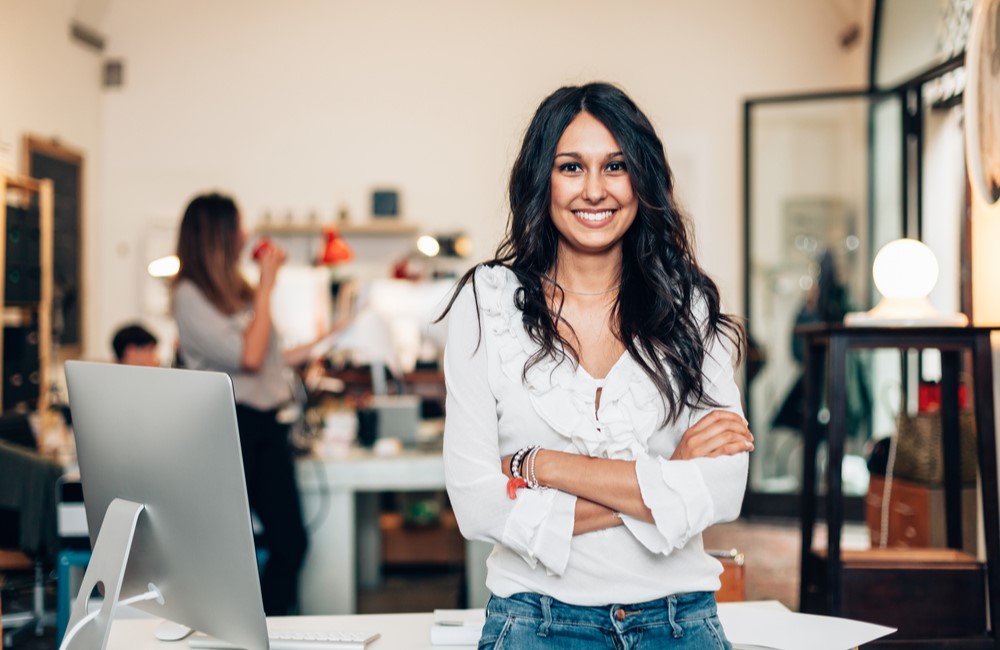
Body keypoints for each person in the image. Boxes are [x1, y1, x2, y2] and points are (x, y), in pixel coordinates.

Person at [440, 83, 753, 649]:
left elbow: (725, 488)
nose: (594, 190)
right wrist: (666, 476)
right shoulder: (486, 303)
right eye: (570, 167)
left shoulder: (689, 304)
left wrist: (545, 465)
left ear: (642, 179)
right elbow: (477, 504)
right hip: (535, 623)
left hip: (679, 623)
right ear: (543, 179)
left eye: (615, 166)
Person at [170, 192, 339, 615]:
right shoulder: (189, 296)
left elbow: (269, 357)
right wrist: (266, 287)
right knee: (229, 551)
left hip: (265, 426)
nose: (245, 235)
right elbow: (248, 356)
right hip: (227, 428)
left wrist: (333, 337)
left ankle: (267, 631)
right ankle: (243, 631)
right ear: (217, 235)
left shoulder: (238, 292)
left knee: (291, 542)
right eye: (237, 227)